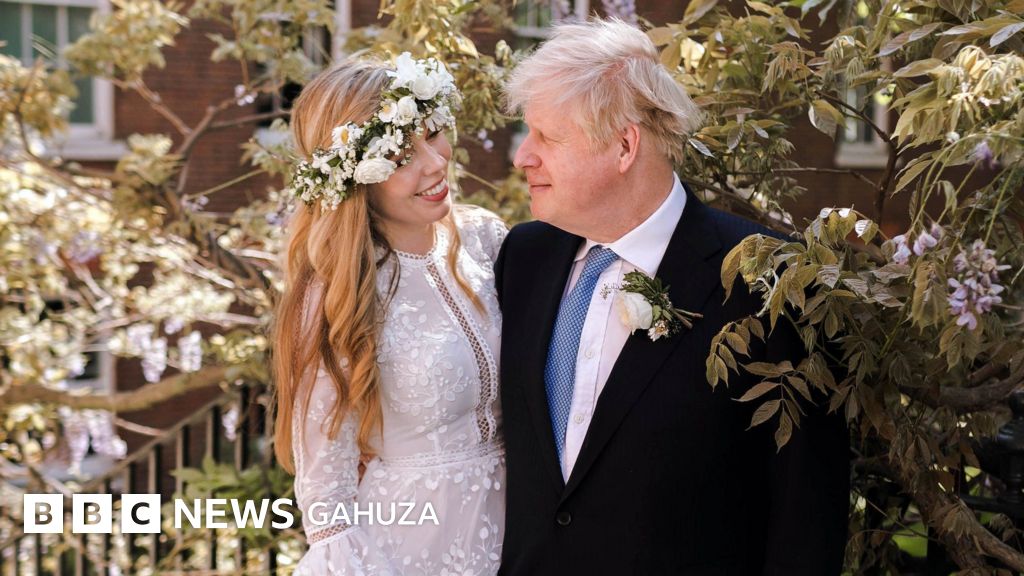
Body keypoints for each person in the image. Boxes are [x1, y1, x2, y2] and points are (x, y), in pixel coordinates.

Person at [495, 18, 850, 575]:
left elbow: (806, 513)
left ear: (624, 145)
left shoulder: (769, 280)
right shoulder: (524, 258)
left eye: (547, 137)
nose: (523, 157)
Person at [272, 53, 508, 576]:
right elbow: (328, 500)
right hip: (407, 549)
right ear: (355, 177)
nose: (435, 162)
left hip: (521, 533)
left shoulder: (487, 239)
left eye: (433, 133)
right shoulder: (337, 292)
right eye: (401, 156)